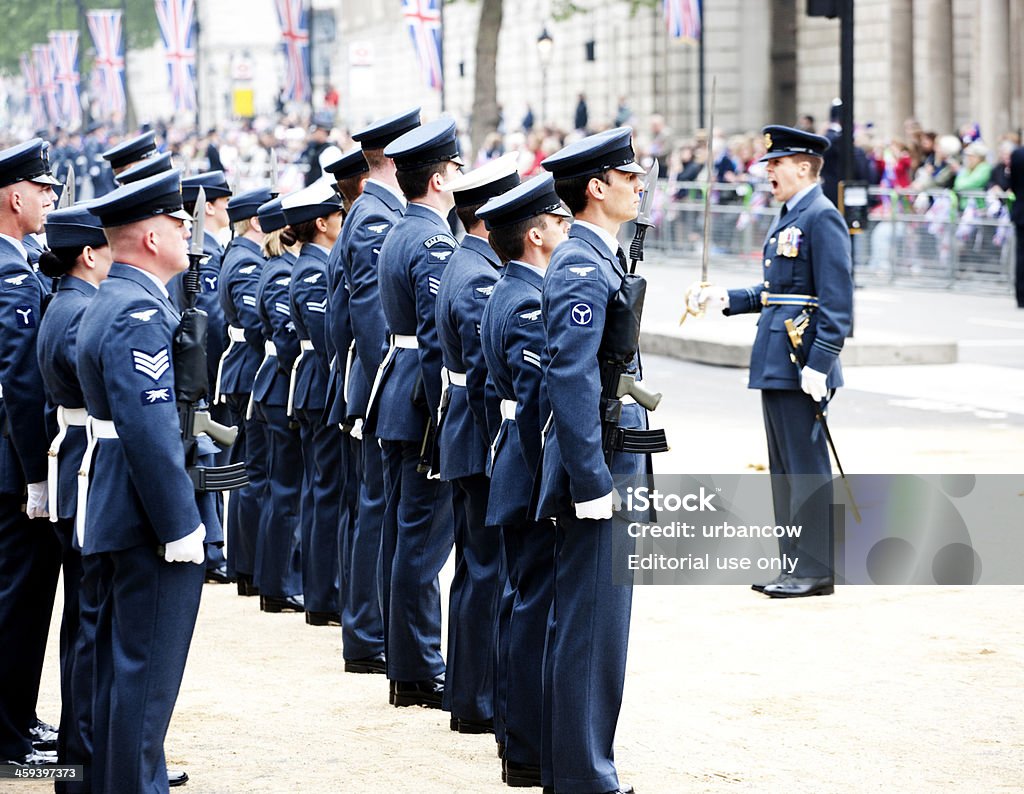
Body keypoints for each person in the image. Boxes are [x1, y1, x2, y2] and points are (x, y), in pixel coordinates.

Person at [77, 169, 208, 793]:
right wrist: (181, 524)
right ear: (151, 236)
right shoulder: (135, 309)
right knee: (144, 676)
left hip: (117, 502)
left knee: (120, 668)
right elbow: (150, 429)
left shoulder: (117, 297)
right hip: (142, 512)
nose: (187, 229)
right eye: (177, 222)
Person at [690, 124, 853, 598]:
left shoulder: (821, 216)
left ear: (804, 167)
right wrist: (728, 298)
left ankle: (816, 568)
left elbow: (837, 302)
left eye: (776, 164)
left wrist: (821, 363)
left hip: (803, 363)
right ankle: (796, 563)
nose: (769, 173)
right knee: (784, 471)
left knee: (805, 470)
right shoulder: (792, 214)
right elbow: (778, 291)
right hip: (780, 360)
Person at [536, 126, 649, 794]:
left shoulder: (601, 255)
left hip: (607, 456)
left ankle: (579, 766)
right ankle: (582, 775)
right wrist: (590, 480)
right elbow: (571, 377)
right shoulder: (581, 262)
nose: (640, 185)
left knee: (596, 623)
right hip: (599, 464)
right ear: (596, 188)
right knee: (590, 625)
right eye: (627, 176)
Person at [477, 173, 571, 789]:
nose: (566, 232)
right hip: (530, 469)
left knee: (521, 603)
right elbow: (538, 401)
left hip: (511, 462)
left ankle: (518, 736)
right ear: (535, 236)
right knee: (535, 609)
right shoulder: (529, 301)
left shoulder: (506, 289)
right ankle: (529, 747)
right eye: (560, 224)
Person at [366, 117, 463, 708]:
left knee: (406, 535)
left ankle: (408, 661)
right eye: (453, 169)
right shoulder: (430, 240)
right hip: (421, 401)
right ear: (438, 179)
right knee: (422, 542)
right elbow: (435, 340)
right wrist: (444, 415)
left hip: (400, 395)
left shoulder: (406, 230)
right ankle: (419, 665)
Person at [330, 108, 420, 676]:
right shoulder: (374, 216)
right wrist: (386, 381)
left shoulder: (376, 210)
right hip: (377, 377)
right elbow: (369, 313)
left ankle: (369, 624)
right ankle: (366, 631)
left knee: (375, 507)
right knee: (374, 507)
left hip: (374, 376)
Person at [434, 152, 520, 735]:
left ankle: (468, 692)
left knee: (475, 568)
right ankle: (476, 699)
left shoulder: (467, 262)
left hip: (464, 428)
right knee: (485, 571)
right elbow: (489, 375)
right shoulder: (482, 274)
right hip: (477, 431)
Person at [35, 205, 113, 787]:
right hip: (87, 465)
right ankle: (85, 754)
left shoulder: (64, 304)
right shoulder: (79, 311)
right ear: (89, 254)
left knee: (82, 622)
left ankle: (82, 748)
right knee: (91, 624)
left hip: (71, 462)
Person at [0, 138, 62, 768]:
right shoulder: (11, 270)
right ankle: (7, 739)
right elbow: (20, 384)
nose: (49, 200)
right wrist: (34, 476)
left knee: (20, 599)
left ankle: (16, 716)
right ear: (15, 196)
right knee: (17, 603)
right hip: (10, 464)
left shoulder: (18, 260)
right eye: (43, 190)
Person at [283, 182, 346, 624]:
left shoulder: (313, 264)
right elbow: (326, 340)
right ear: (321, 224)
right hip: (319, 383)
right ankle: (322, 595)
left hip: (314, 383)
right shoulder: (311, 269)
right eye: (338, 218)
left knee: (320, 490)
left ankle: (319, 588)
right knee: (326, 493)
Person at [216, 187, 273, 597]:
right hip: (248, 369)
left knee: (246, 471)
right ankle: (249, 565)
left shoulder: (242, 255)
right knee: (253, 472)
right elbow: (255, 324)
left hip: (241, 369)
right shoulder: (247, 262)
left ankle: (244, 561)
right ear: (256, 222)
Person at [1010, 141, 1024, 307]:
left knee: (1021, 256)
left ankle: (1021, 296)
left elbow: (1013, 183)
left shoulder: (1018, 154)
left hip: (1021, 211)